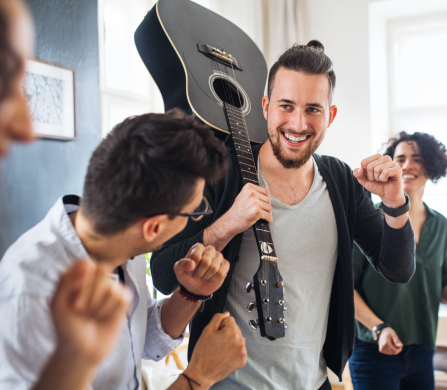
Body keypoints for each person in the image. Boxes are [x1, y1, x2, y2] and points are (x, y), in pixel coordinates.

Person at [150, 40, 416, 390]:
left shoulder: (340, 181)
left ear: (330, 116)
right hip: (228, 384)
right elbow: (162, 274)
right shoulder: (221, 170)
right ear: (265, 107)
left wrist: (395, 203)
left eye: (313, 110)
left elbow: (397, 269)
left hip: (313, 382)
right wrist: (227, 225)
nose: (298, 123)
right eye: (286, 106)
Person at [0, 109, 248, 390]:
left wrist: (190, 294)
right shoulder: (29, 299)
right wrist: (198, 376)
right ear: (153, 227)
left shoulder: (122, 239)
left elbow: (137, 341)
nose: (198, 216)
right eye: (194, 212)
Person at [0, 0, 133, 389]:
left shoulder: (122, 272)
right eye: (0, 73)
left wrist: (73, 360)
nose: (27, 129)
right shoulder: (27, 291)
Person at [349, 131, 447, 390]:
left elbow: (444, 279)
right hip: (374, 348)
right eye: (400, 158)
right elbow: (344, 286)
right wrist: (378, 328)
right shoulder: (368, 221)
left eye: (417, 159)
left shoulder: (440, 225)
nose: (407, 165)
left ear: (431, 166)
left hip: (422, 347)